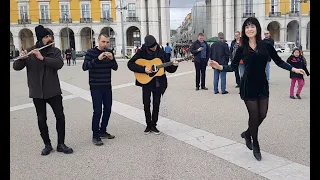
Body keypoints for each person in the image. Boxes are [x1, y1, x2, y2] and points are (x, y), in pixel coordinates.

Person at [208, 17, 305, 161]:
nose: (249, 29)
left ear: (257, 28)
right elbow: (234, 66)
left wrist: (294, 69)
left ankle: (247, 134)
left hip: (262, 84)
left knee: (263, 114)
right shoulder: (242, 48)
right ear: (244, 30)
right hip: (248, 85)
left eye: (252, 26)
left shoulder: (266, 45)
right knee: (254, 116)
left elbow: (278, 61)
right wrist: (220, 67)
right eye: (246, 27)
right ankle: (255, 143)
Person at [12, 25, 73, 156]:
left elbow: (59, 64)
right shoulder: (30, 51)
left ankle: (61, 144)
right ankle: (47, 145)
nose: (49, 38)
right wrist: (22, 58)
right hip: (37, 92)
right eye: (46, 37)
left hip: (53, 91)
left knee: (60, 117)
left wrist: (43, 58)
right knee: (41, 119)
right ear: (40, 39)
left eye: (50, 36)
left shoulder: (55, 51)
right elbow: (16, 67)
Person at [127, 35, 179, 134]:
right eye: (152, 47)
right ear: (147, 47)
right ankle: (148, 125)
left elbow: (168, 68)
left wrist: (174, 66)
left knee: (156, 104)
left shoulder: (161, 52)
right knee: (146, 103)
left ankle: (154, 125)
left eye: (155, 46)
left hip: (158, 82)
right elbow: (130, 64)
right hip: (146, 82)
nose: (154, 48)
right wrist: (143, 69)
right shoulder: (142, 52)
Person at [82, 33, 118, 146]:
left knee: (108, 109)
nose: (105, 44)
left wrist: (112, 59)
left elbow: (115, 67)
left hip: (107, 86)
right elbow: (85, 67)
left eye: (107, 42)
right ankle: (95, 135)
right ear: (98, 41)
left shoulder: (110, 52)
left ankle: (103, 130)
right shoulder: (90, 52)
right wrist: (97, 59)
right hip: (95, 86)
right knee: (97, 111)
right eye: (103, 42)